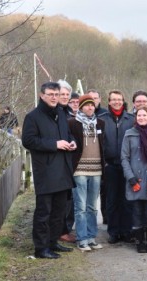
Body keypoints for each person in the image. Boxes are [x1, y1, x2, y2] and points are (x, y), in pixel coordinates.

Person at [22, 82, 76, 259]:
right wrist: (54, 144)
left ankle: (52, 242)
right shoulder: (33, 117)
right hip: (45, 172)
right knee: (44, 212)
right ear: (42, 95)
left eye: (56, 94)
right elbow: (28, 141)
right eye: (51, 94)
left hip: (63, 169)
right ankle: (41, 248)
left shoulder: (60, 113)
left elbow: (66, 134)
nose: (54, 97)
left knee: (59, 211)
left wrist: (71, 141)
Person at [121, 106, 147, 253]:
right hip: (135, 179)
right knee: (137, 211)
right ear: (136, 118)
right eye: (139, 115)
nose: (141, 118)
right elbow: (124, 158)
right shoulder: (129, 134)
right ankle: (140, 241)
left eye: (144, 115)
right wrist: (131, 178)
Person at [68, 94, 105, 251]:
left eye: (92, 105)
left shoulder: (100, 123)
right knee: (80, 206)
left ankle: (91, 237)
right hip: (80, 169)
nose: (90, 107)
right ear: (81, 107)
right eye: (86, 105)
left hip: (96, 169)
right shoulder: (72, 123)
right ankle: (81, 238)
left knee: (92, 207)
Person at [98, 90, 135, 244]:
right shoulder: (101, 119)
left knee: (127, 199)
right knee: (111, 200)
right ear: (109, 101)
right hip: (110, 165)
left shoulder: (131, 119)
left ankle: (127, 231)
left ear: (123, 100)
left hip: (127, 165)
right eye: (113, 100)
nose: (116, 102)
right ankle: (113, 231)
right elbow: (98, 143)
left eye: (119, 99)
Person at [57, 79, 76, 243]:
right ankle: (59, 232)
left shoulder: (68, 111)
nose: (64, 96)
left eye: (66, 94)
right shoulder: (54, 112)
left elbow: (68, 132)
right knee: (59, 200)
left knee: (68, 198)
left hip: (68, 159)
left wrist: (72, 141)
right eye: (61, 94)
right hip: (55, 161)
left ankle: (64, 230)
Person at [86, 88, 108, 224]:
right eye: (90, 98)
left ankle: (105, 219)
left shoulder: (105, 115)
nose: (93, 101)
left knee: (104, 192)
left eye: (95, 98)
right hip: (86, 162)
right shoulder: (81, 116)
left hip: (103, 161)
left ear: (99, 99)